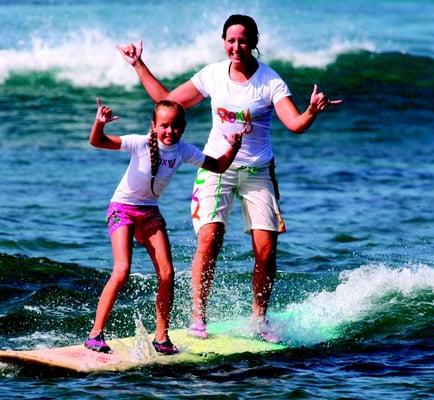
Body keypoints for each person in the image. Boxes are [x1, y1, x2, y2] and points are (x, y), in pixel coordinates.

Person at [118, 14, 342, 342]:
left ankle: (259, 318)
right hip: (215, 166)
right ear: (224, 42)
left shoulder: (270, 82)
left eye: (242, 40)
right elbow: (166, 101)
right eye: (230, 40)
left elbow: (294, 123)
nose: (236, 46)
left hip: (257, 172)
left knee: (265, 249)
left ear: (254, 42)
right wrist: (138, 64)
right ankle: (198, 317)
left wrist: (311, 111)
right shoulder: (212, 75)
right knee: (210, 238)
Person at [84, 98, 242, 354]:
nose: (170, 132)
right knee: (122, 269)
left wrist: (234, 147)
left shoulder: (184, 151)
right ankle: (95, 334)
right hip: (122, 209)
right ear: (154, 126)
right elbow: (97, 141)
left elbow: (219, 165)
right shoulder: (140, 143)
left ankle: (161, 337)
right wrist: (99, 124)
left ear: (183, 127)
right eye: (165, 126)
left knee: (167, 274)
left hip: (149, 213)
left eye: (176, 126)